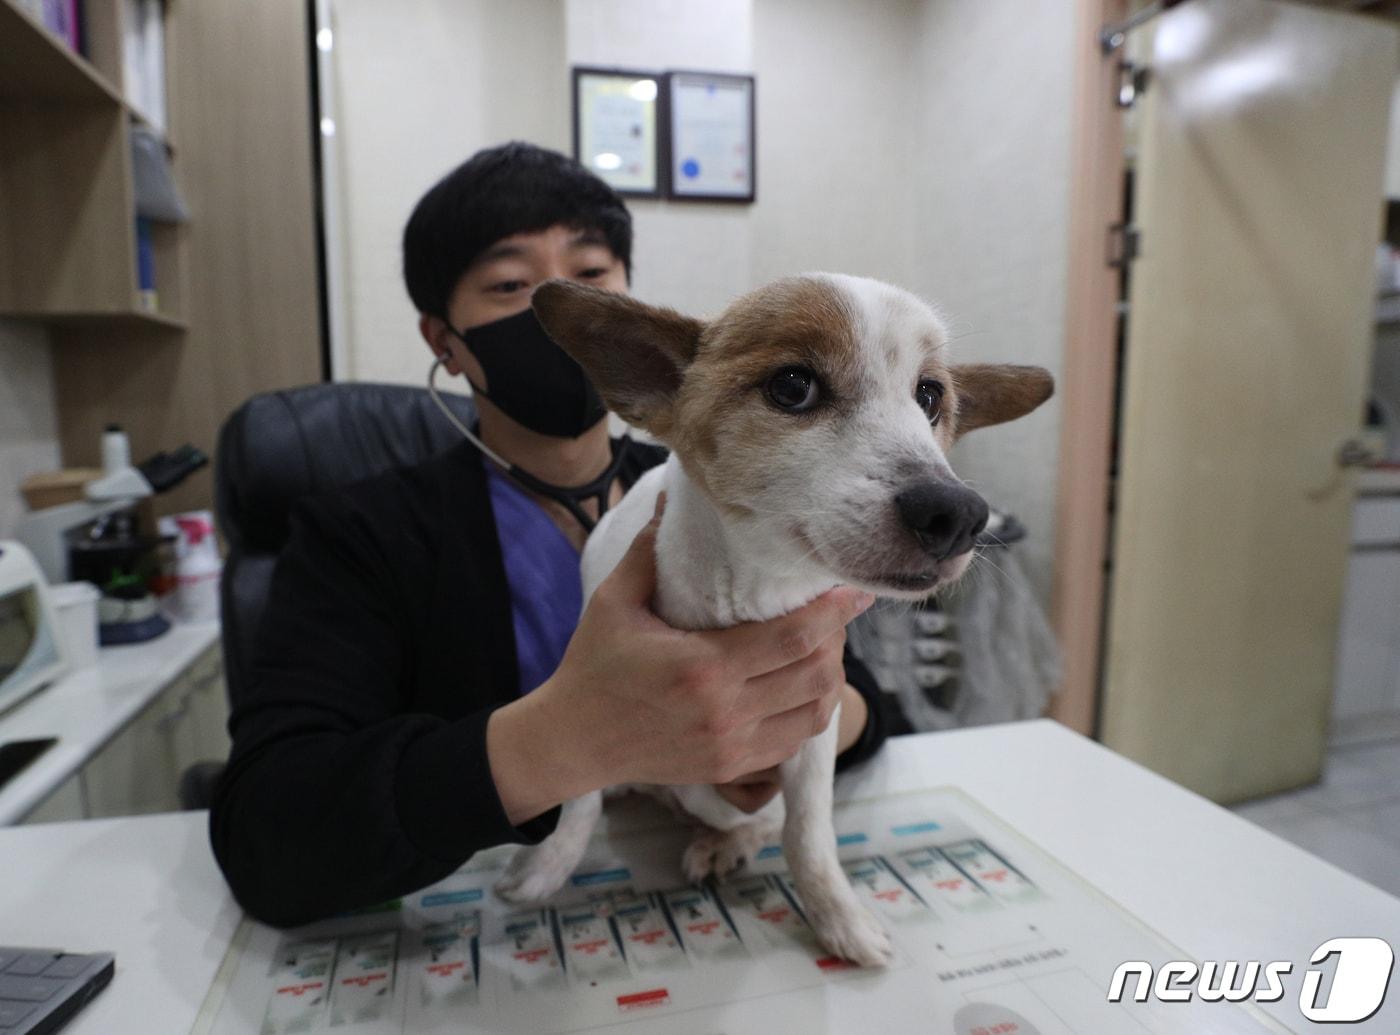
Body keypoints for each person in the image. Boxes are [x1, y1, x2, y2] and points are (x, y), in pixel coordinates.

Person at [210, 141, 892, 926]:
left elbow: (860, 699)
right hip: (498, 908)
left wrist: (779, 731)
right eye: (509, 285)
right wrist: (563, 740)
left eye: (592, 273)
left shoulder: (723, 486)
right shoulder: (358, 531)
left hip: (683, 870)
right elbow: (267, 832)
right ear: (445, 342)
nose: (558, 300)